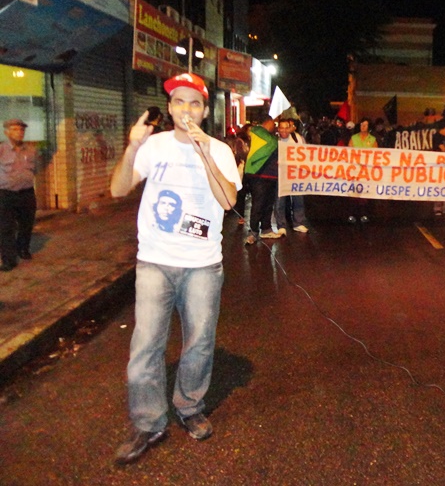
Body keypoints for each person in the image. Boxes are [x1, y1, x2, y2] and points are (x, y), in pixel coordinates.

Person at [109, 73, 241, 464]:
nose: (186, 109)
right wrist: (132, 148)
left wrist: (205, 153)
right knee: (146, 345)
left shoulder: (219, 149)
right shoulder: (154, 145)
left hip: (202, 264)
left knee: (199, 341)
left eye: (194, 103)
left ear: (205, 110)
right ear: (169, 107)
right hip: (155, 261)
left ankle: (189, 406)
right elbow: (118, 189)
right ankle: (148, 422)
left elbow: (228, 202)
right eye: (179, 102)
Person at [0, 119, 37, 272]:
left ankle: (23, 249)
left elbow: (34, 169)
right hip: (6, 194)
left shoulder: (31, 150)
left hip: (27, 193)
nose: (19, 132)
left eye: (21, 130)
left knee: (26, 224)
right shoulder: (1, 149)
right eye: (15, 129)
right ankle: (9, 260)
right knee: (6, 228)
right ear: (6, 132)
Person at [268, 118, 309, 236]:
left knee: (298, 199)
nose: (284, 130)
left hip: (295, 173)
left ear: (290, 128)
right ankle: (281, 225)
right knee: (280, 200)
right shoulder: (274, 140)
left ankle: (298, 223)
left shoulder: (297, 138)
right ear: (278, 129)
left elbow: (306, 153)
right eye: (282, 128)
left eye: (286, 128)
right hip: (280, 174)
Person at [243, 113, 279, 243]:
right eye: (273, 123)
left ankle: (266, 229)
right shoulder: (258, 131)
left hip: (271, 175)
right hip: (258, 174)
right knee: (258, 204)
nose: (275, 126)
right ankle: (253, 231)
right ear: (267, 122)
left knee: (268, 204)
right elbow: (273, 143)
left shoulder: (268, 135)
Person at [347, 118, 377, 223]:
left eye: (365, 125)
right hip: (355, 170)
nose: (362, 126)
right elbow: (348, 152)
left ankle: (364, 214)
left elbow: (376, 154)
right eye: (361, 124)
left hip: (366, 171)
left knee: (365, 194)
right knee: (354, 193)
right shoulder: (354, 138)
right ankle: (352, 214)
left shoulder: (372, 139)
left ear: (369, 127)